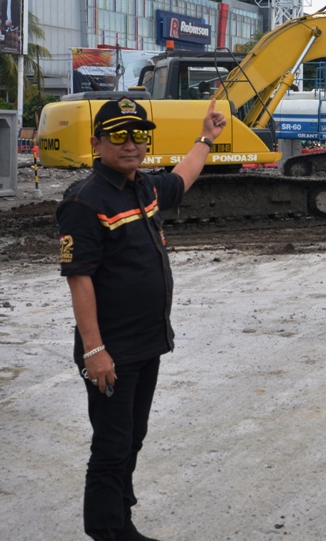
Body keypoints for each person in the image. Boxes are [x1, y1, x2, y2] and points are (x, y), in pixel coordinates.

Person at [57, 96, 226, 541]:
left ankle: (122, 521)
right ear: (97, 142)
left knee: (133, 437)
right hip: (111, 349)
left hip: (146, 343)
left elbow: (182, 178)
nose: (130, 143)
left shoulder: (143, 187)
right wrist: (94, 350)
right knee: (112, 446)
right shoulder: (84, 202)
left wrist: (206, 138)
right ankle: (106, 530)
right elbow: (80, 279)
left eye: (138, 134)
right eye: (118, 135)